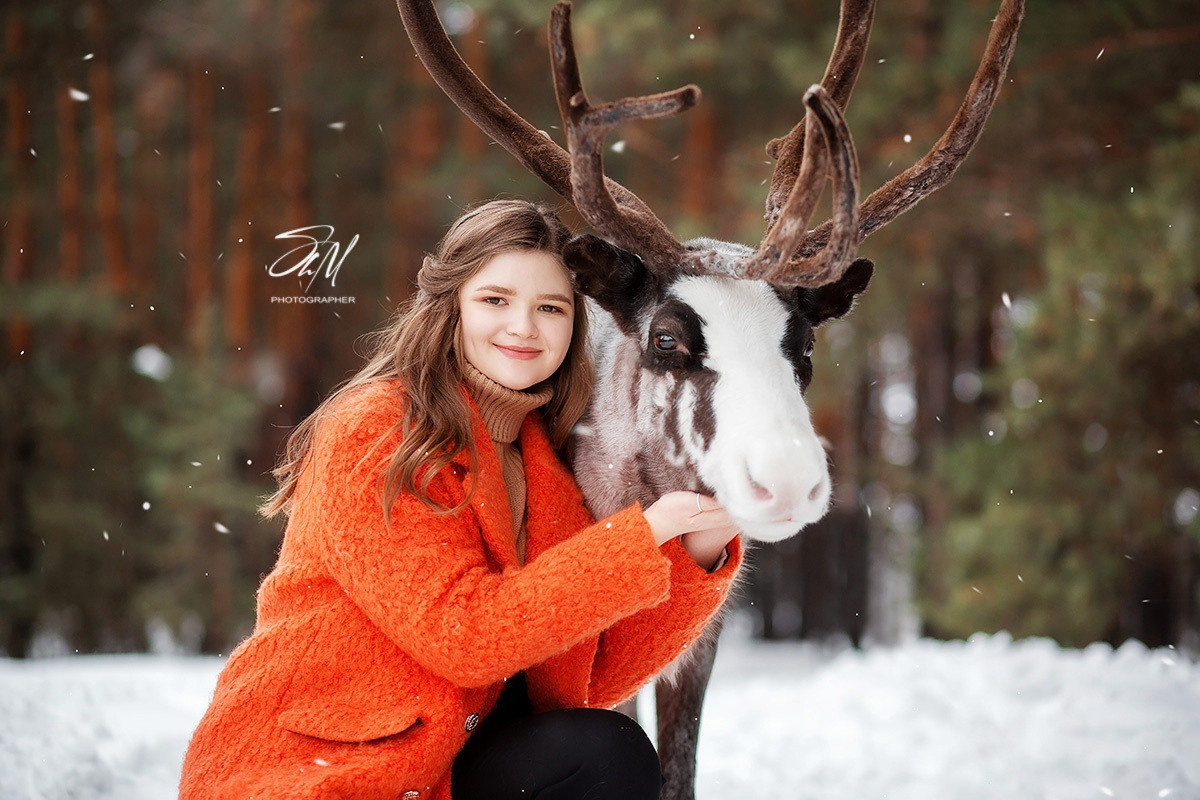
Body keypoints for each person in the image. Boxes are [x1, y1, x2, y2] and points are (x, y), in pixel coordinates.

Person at [178, 199, 743, 800]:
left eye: (549, 308)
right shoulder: (374, 430)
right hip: (318, 771)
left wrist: (697, 553)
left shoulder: (541, 461)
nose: (523, 327)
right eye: (495, 300)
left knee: (603, 753)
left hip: (440, 768)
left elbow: (589, 675)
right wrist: (636, 537)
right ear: (450, 307)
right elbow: (464, 634)